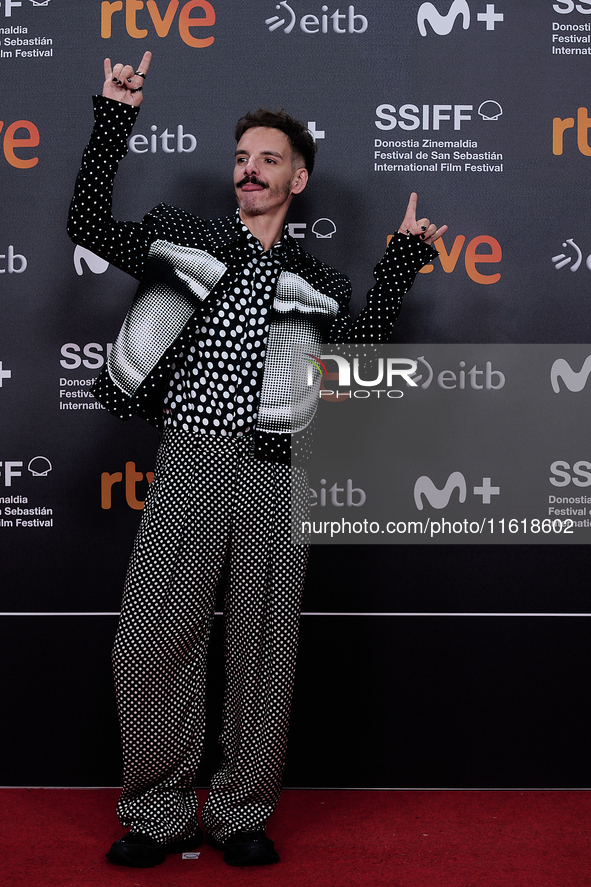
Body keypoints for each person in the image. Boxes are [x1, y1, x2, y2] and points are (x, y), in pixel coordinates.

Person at [67, 51, 447, 870]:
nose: (249, 169)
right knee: (148, 641)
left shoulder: (310, 279)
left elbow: (356, 351)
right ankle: (159, 811)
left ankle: (239, 810)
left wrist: (401, 261)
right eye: (242, 158)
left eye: (267, 158)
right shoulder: (189, 240)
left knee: (262, 646)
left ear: (296, 180)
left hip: (278, 472)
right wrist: (112, 118)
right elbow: (90, 228)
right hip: (194, 459)